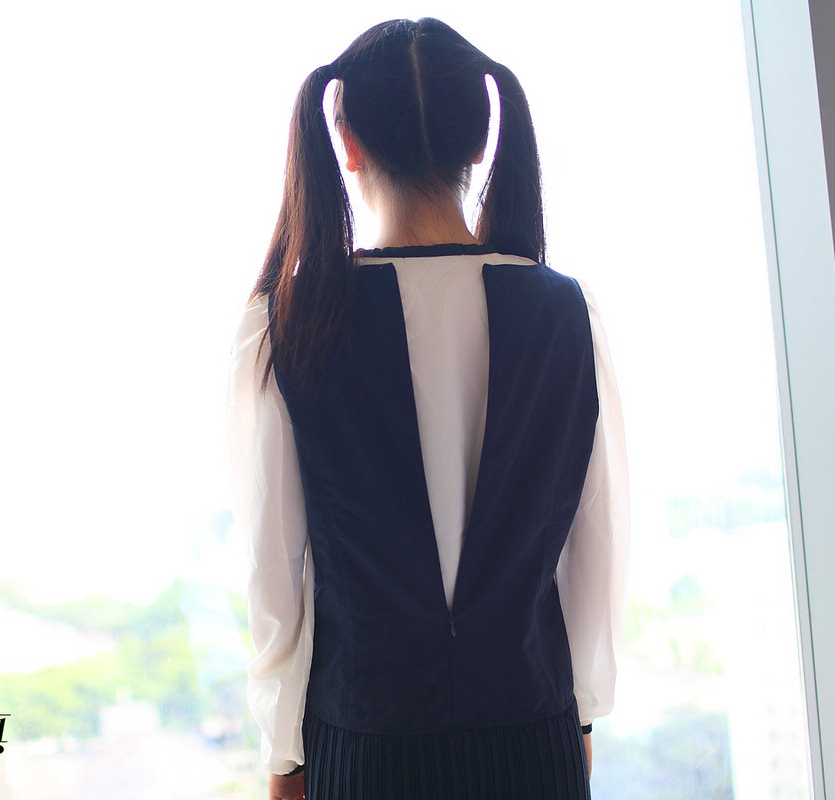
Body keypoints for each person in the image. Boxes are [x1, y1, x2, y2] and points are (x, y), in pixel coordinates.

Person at [225, 17, 630, 800]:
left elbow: (273, 571)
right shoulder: (565, 312)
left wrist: (283, 755)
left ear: (346, 142)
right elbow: (596, 542)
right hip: (535, 738)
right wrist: (580, 716)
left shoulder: (292, 320)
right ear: (480, 140)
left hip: (364, 749)